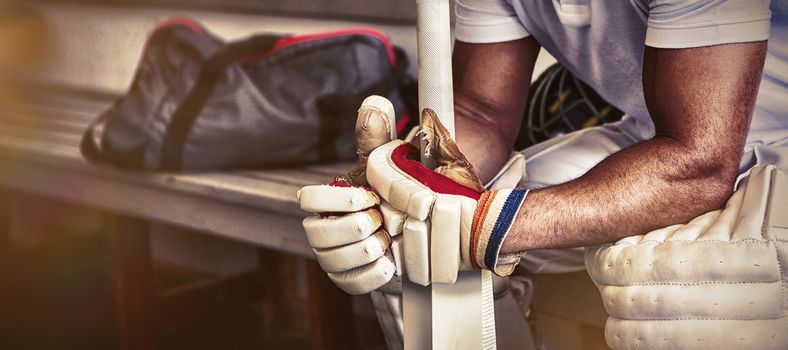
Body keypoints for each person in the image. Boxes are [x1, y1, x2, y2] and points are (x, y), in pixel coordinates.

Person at [299, 0, 788, 348]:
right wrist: (402, 178)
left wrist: (493, 224)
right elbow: (482, 111)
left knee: (686, 286)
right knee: (417, 238)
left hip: (752, 142)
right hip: (660, 134)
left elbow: (701, 160)